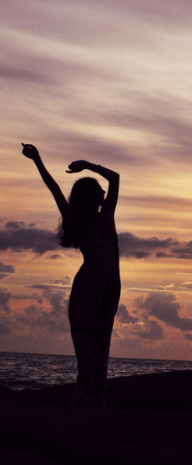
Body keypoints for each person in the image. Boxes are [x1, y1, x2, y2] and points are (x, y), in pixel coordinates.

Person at [21, 143, 120, 408]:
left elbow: (115, 178)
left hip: (107, 288)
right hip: (88, 290)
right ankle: (85, 396)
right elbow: (53, 187)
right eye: (97, 189)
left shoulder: (106, 216)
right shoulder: (80, 218)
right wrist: (37, 160)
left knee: (101, 342)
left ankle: (95, 396)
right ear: (91, 196)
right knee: (87, 346)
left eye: (102, 188)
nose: (103, 190)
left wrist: (88, 164)